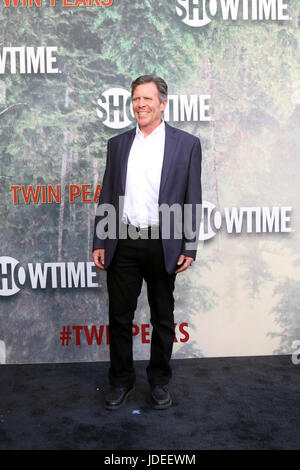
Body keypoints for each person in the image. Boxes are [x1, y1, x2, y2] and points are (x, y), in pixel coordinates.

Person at [92, 75, 202, 410]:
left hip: (163, 243)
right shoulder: (118, 144)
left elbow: (192, 198)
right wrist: (100, 238)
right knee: (120, 317)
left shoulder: (186, 144)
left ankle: (158, 382)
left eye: (147, 99)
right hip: (123, 240)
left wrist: (189, 245)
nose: (140, 104)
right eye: (136, 99)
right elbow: (108, 193)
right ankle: (122, 381)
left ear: (163, 104)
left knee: (162, 318)